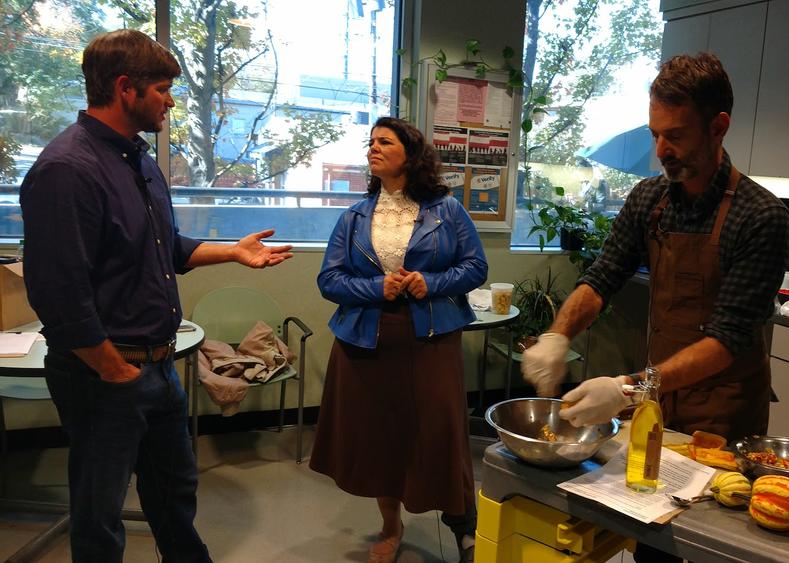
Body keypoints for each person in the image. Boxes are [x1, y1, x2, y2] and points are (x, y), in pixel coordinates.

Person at [19, 30, 293, 563]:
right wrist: (113, 368)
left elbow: (162, 247)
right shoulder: (67, 169)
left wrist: (233, 253)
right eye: (164, 88)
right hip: (106, 377)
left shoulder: (138, 162)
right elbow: (57, 293)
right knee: (100, 516)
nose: (170, 100)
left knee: (174, 496)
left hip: (160, 369)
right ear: (126, 88)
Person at [522, 53, 789, 561]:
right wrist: (558, 335)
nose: (662, 150)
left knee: (708, 545)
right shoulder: (650, 200)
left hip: (723, 422)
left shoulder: (761, 217)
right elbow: (602, 279)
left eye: (677, 135)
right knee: (656, 543)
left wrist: (627, 388)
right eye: (655, 135)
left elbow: (727, 341)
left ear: (719, 127)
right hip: (659, 409)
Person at [311, 116, 487, 563]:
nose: (372, 148)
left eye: (383, 141)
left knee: (441, 432)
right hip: (366, 341)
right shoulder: (353, 217)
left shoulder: (447, 209)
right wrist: (375, 288)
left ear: (409, 154)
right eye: (370, 142)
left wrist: (432, 282)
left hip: (430, 336)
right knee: (380, 437)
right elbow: (329, 279)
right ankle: (390, 527)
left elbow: (475, 267)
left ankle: (465, 528)